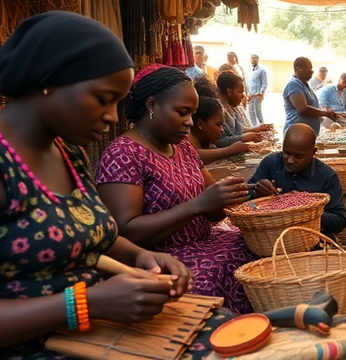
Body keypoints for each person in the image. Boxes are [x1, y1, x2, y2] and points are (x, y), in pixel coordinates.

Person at [0, 12, 219, 360]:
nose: (114, 116)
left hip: (78, 331)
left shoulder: (68, 152)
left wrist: (142, 258)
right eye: (102, 98)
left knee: (225, 341)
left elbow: (93, 233)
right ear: (49, 81)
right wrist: (84, 303)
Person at [96, 65, 258, 314]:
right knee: (204, 281)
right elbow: (126, 232)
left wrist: (231, 196)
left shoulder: (183, 148)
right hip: (162, 259)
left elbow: (213, 211)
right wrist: (197, 205)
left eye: (192, 114)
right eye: (182, 112)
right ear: (151, 106)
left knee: (258, 250)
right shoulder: (123, 153)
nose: (189, 122)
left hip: (206, 242)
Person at [249, 124, 346, 237]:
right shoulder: (271, 163)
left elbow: (340, 221)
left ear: (313, 152)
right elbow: (247, 201)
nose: (290, 160)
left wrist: (306, 213)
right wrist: (256, 191)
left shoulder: (326, 176)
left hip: (311, 239)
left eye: (298, 157)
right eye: (286, 153)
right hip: (271, 236)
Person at [283, 57, 338, 136]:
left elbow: (312, 107)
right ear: (299, 68)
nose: (312, 71)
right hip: (297, 135)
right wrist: (325, 113)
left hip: (306, 135)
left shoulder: (304, 85)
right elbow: (303, 108)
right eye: (309, 68)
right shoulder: (294, 85)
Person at [190, 94, 251, 164]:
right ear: (200, 124)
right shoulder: (188, 140)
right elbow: (193, 155)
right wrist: (229, 150)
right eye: (218, 125)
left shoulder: (206, 143)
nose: (222, 130)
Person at [215, 71, 271, 147]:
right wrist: (243, 138)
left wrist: (256, 130)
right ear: (229, 91)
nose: (243, 96)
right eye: (240, 92)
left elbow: (239, 130)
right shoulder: (217, 111)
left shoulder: (233, 108)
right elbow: (220, 141)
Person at [247, 53, 268, 127]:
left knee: (257, 111)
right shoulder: (250, 71)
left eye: (254, 58)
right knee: (251, 111)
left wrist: (261, 93)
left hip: (257, 94)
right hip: (250, 94)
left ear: (258, 59)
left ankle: (262, 126)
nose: (253, 60)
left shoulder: (262, 70)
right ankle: (254, 127)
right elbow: (248, 83)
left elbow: (264, 83)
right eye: (251, 58)